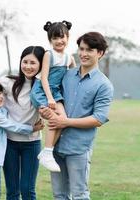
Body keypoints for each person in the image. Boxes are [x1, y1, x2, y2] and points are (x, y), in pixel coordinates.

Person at [40, 32, 114, 199]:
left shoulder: (104, 85)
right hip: (56, 146)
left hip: (78, 148)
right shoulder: (66, 75)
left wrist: (65, 122)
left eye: (89, 50)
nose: (83, 54)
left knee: (80, 195)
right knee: (59, 195)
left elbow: (98, 119)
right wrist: (45, 111)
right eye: (81, 49)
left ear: (100, 53)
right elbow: (54, 101)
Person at [0, 46, 45, 200]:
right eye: (25, 61)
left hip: (32, 143)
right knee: (12, 190)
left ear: (41, 65)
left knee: (28, 189)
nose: (28, 66)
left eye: (33, 63)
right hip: (9, 143)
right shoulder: (7, 82)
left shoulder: (42, 86)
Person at [30, 21, 76, 172]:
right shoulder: (49, 55)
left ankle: (46, 152)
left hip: (56, 93)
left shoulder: (69, 58)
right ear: (50, 40)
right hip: (42, 91)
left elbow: (74, 76)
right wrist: (49, 98)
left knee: (62, 120)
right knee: (54, 118)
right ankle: (48, 152)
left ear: (68, 38)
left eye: (62, 37)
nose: (59, 41)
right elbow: (43, 78)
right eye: (55, 38)